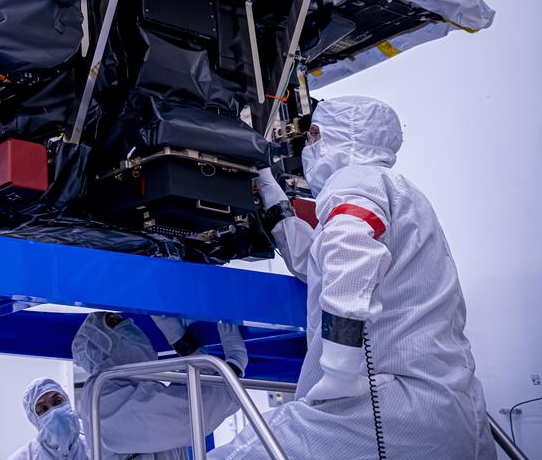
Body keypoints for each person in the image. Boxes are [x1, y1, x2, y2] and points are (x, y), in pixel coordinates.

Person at [212, 95, 494, 459]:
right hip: (456, 409)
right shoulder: (401, 192)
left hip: (390, 405)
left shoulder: (356, 179)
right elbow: (313, 260)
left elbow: (350, 251)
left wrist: (340, 369)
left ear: (331, 136)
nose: (308, 148)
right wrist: (270, 191)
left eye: (312, 136)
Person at [72, 311, 249, 459]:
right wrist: (233, 368)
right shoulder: (101, 394)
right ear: (100, 346)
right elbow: (187, 415)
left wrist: (183, 344)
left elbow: (193, 395)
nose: (130, 323)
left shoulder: (134, 386)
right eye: (114, 322)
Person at [8, 377, 88, 460]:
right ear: (35, 421)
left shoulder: (92, 446)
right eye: (43, 408)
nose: (54, 412)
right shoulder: (23, 458)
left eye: (58, 401)